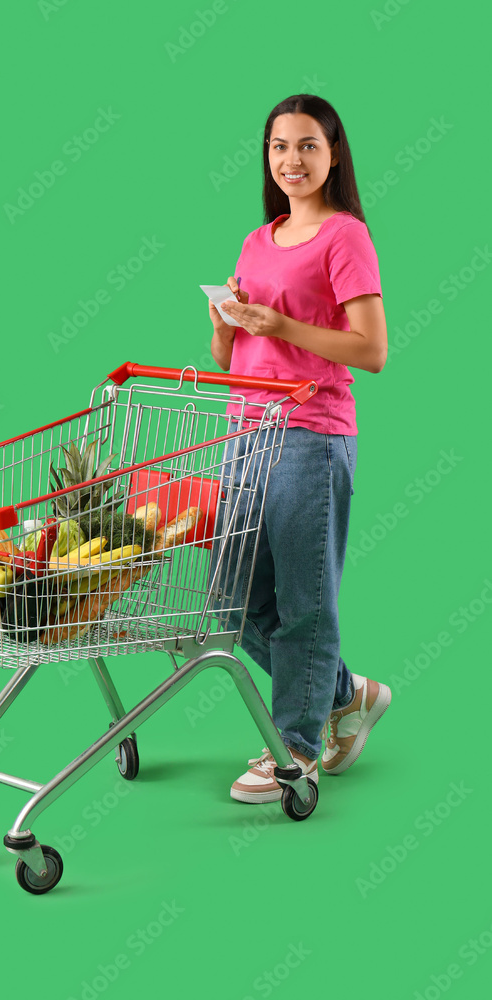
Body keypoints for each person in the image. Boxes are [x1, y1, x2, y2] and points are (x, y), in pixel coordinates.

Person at [208, 94, 392, 804]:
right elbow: (234, 356)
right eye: (278, 146)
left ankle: (294, 749)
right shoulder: (259, 239)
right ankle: (345, 692)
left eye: (307, 146)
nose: (291, 160)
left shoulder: (345, 236)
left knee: (304, 604)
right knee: (228, 600)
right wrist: (226, 326)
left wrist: (277, 323)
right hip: (242, 434)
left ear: (334, 154)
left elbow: (370, 350)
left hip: (309, 437)